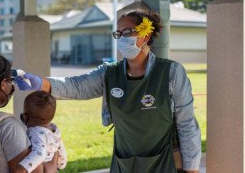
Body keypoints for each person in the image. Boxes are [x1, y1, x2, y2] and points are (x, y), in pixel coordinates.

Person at [16, 11, 202, 173]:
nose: (122, 38)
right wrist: (42, 83)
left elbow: (187, 125)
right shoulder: (109, 73)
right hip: (125, 162)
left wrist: (192, 168)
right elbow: (78, 86)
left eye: (127, 32)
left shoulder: (171, 72)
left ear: (146, 36)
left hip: (163, 161)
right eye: (118, 33)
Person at [17, 91, 67, 173]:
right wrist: (61, 163)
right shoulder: (54, 130)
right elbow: (61, 147)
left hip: (41, 168)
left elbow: (39, 153)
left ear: (25, 117)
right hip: (53, 169)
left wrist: (23, 167)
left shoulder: (36, 132)